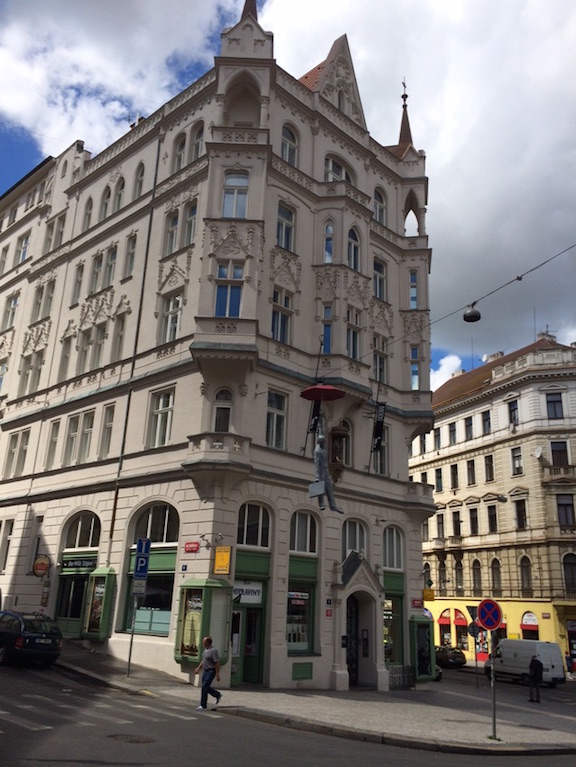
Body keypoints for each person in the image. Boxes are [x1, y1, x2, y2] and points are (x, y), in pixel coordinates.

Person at [313, 434, 344, 514]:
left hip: (326, 470)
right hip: (321, 471)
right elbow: (316, 464)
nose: (324, 443)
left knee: (329, 488)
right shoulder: (317, 451)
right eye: (323, 442)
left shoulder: (324, 449)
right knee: (320, 488)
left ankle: (333, 506)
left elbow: (321, 430)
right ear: (320, 442)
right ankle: (321, 504)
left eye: (324, 442)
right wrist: (317, 476)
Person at [194, 636, 223, 710]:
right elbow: (203, 661)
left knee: (204, 686)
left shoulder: (213, 651)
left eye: (204, 642)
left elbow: (216, 663)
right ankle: (217, 695)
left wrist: (217, 674)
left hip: (211, 671)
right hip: (205, 670)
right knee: (205, 687)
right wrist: (198, 668)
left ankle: (203, 705)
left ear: (208, 642)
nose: (203, 643)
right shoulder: (205, 650)